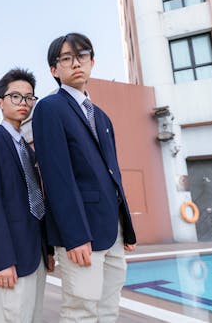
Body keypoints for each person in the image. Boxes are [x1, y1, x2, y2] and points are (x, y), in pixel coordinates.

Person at [32, 33, 137, 323]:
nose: (76, 63)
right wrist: (74, 235)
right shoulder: (49, 108)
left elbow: (113, 174)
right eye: (66, 58)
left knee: (108, 309)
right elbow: (56, 176)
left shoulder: (101, 116)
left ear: (92, 62)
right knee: (81, 312)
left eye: (82, 56)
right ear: (55, 70)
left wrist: (126, 226)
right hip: (81, 234)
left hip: (112, 229)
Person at [0, 68, 54, 323]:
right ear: (0, 101)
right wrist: (1, 259)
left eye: (29, 97)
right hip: (11, 258)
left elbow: (36, 197)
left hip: (36, 254)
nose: (24, 103)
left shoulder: (28, 151)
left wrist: (47, 249)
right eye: (16, 96)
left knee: (33, 317)